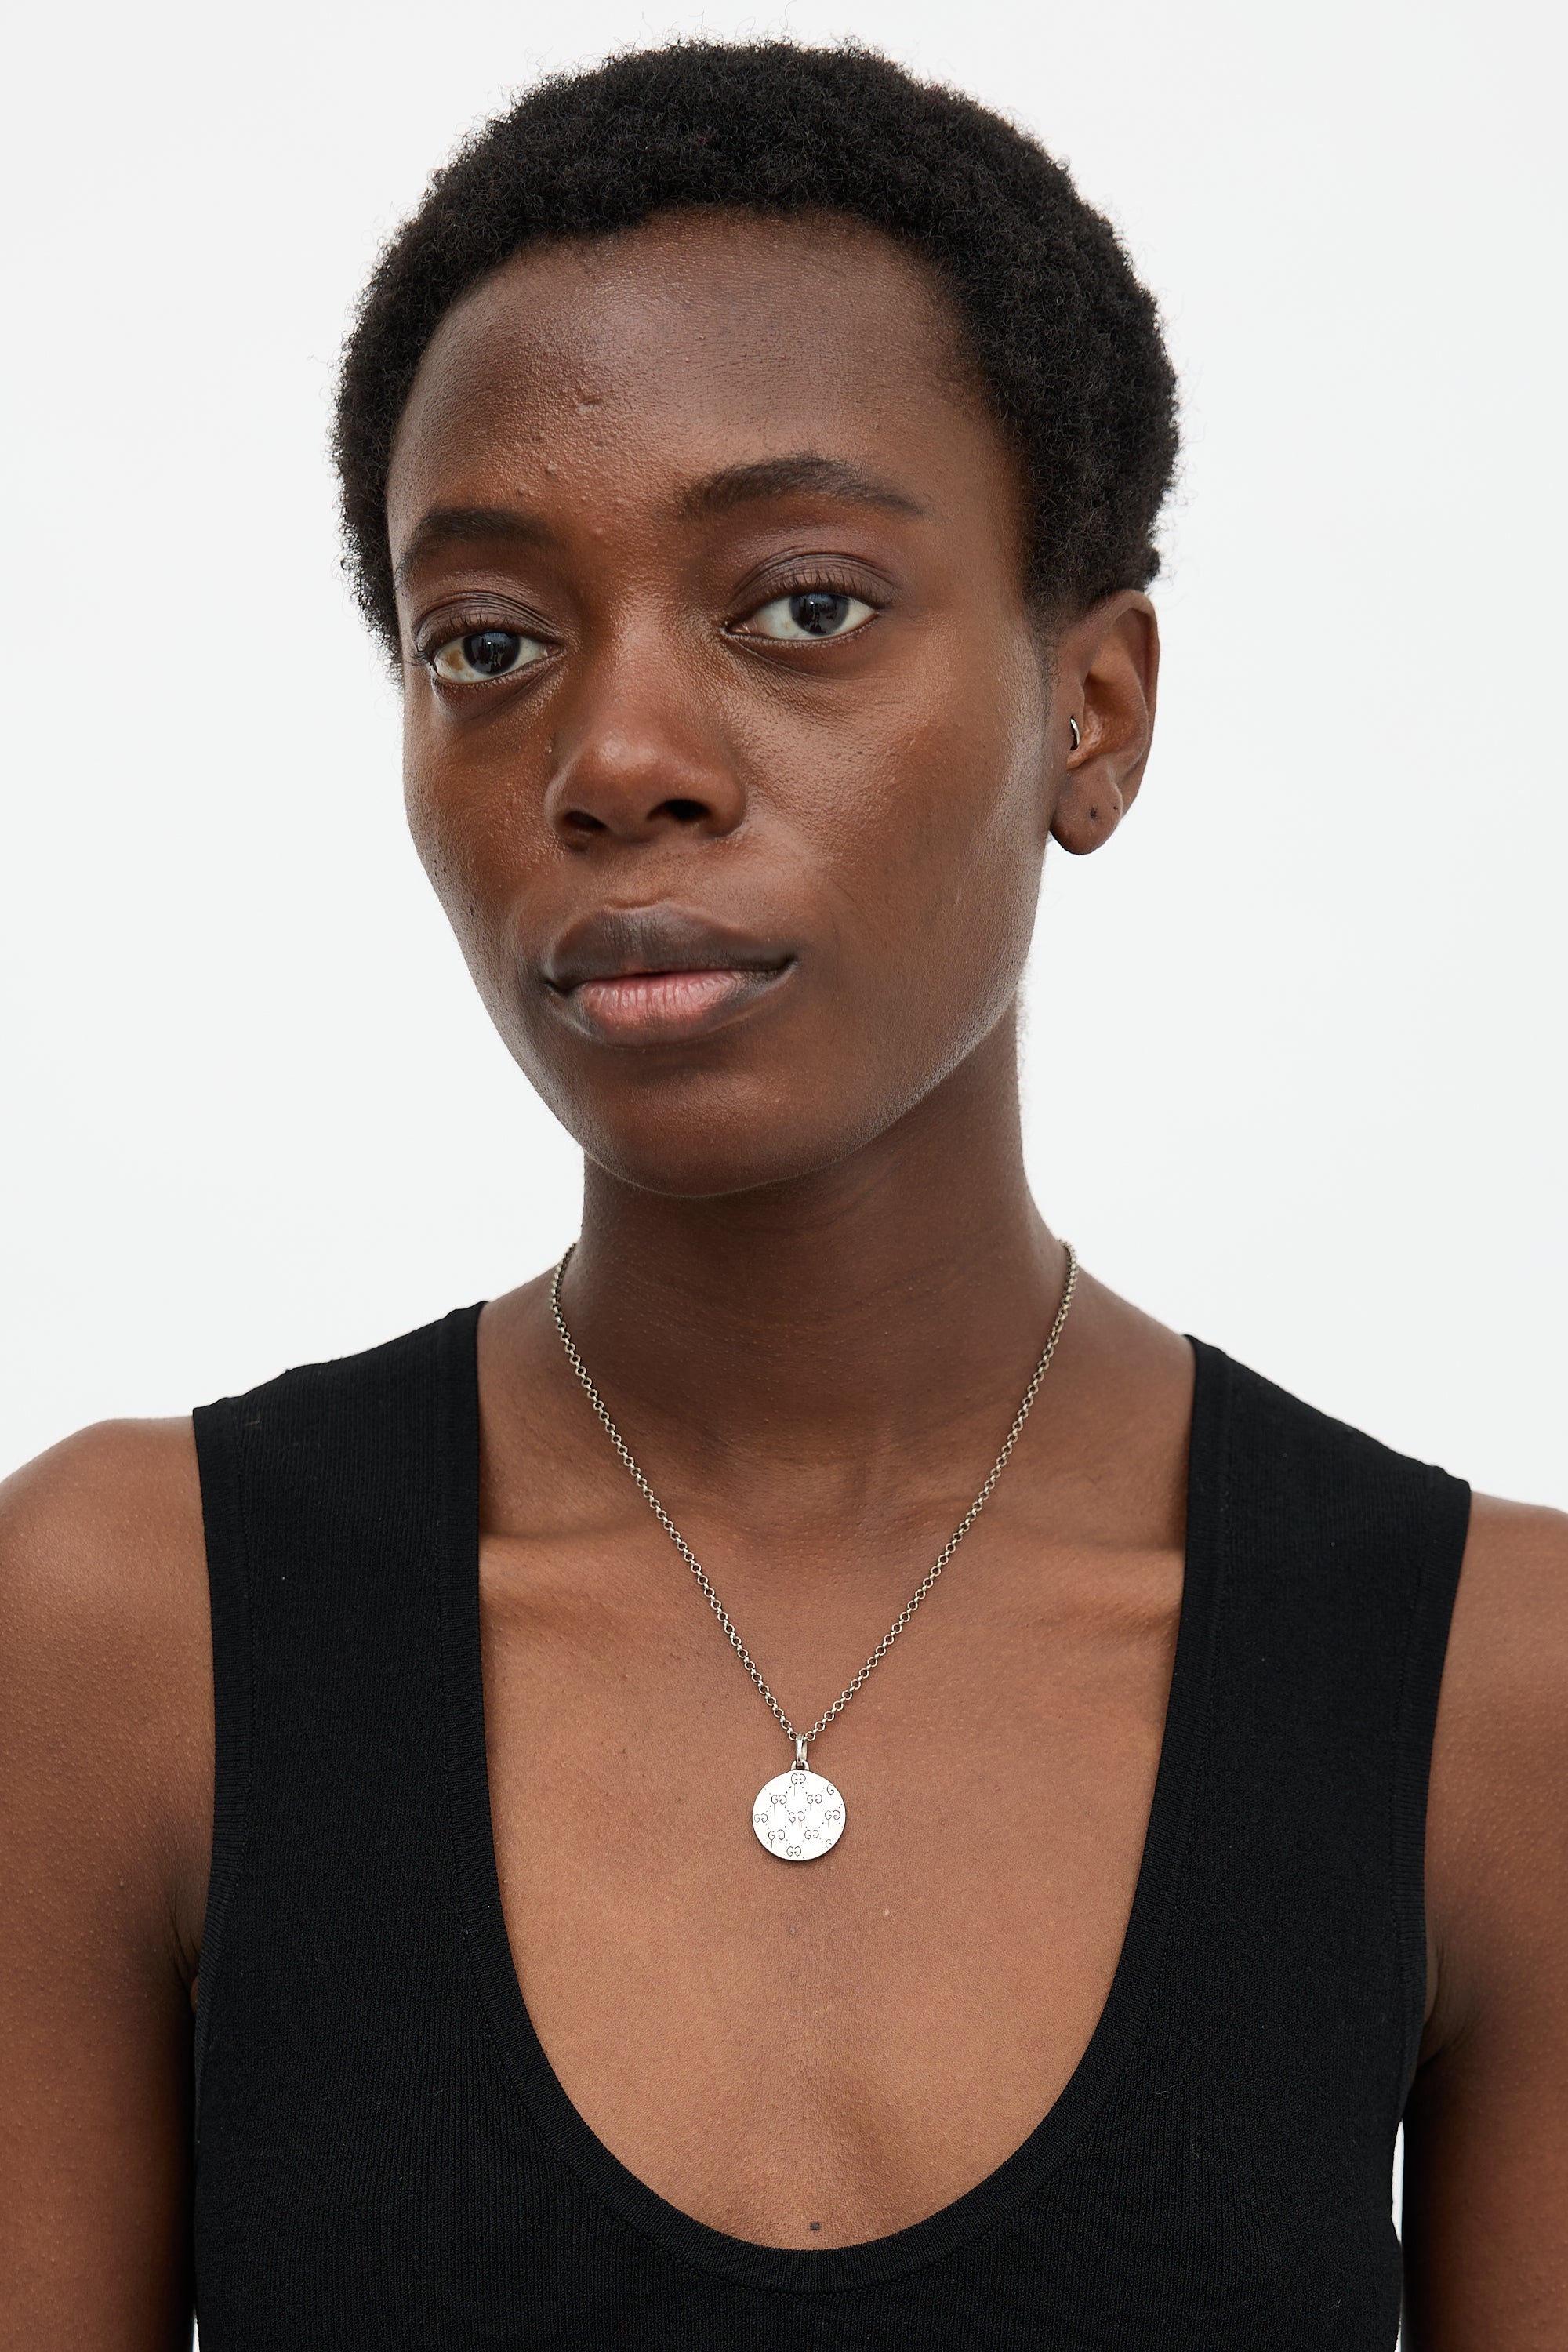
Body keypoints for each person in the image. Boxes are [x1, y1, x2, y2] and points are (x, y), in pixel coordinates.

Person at [2, 38, 1564, 2351]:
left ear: (1096, 707)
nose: (618, 762)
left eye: (802, 606)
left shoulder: (1490, 1689)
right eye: (490, 644)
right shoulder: (127, 1636)